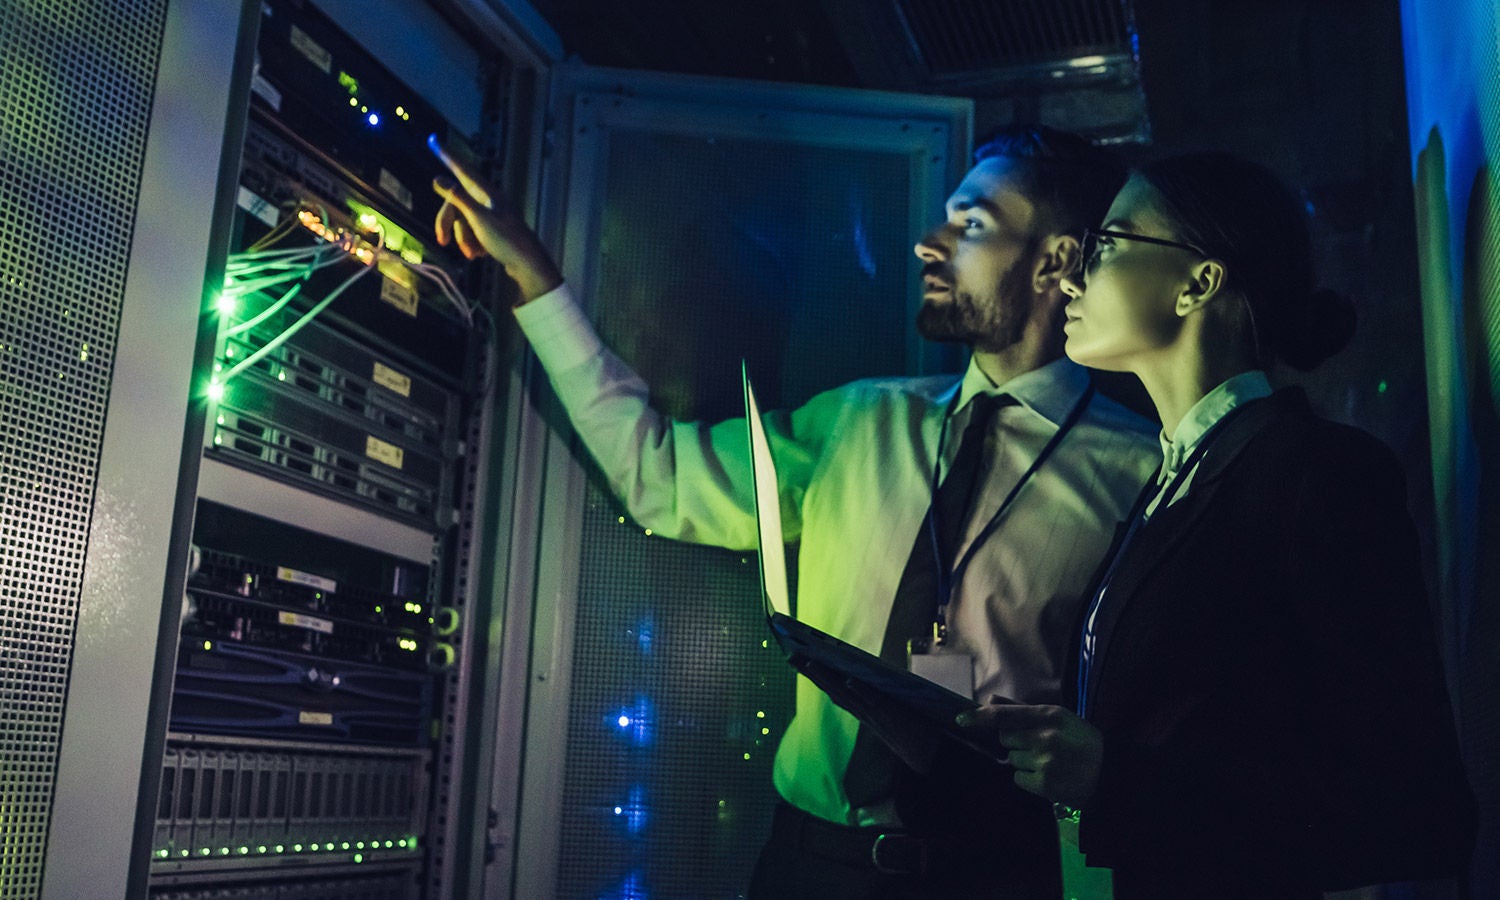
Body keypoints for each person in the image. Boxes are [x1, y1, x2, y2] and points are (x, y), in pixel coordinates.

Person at [432, 128, 1161, 898]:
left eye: (971, 224)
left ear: (1055, 262)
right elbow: (659, 478)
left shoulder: (1142, 473)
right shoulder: (859, 419)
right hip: (810, 867)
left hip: (995, 872)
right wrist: (535, 279)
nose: (927, 245)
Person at [958, 152, 1477, 897]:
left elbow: (1421, 815)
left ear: (1199, 282)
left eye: (1105, 246)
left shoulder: (1318, 474)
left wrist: (1113, 774)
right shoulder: (1170, 479)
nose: (1071, 277)